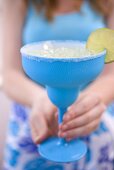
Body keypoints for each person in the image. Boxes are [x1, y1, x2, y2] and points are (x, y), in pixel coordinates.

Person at [2, 0, 114, 169]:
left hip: (93, 118)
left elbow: (111, 74)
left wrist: (91, 102)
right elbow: (9, 74)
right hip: (33, 116)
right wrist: (40, 99)